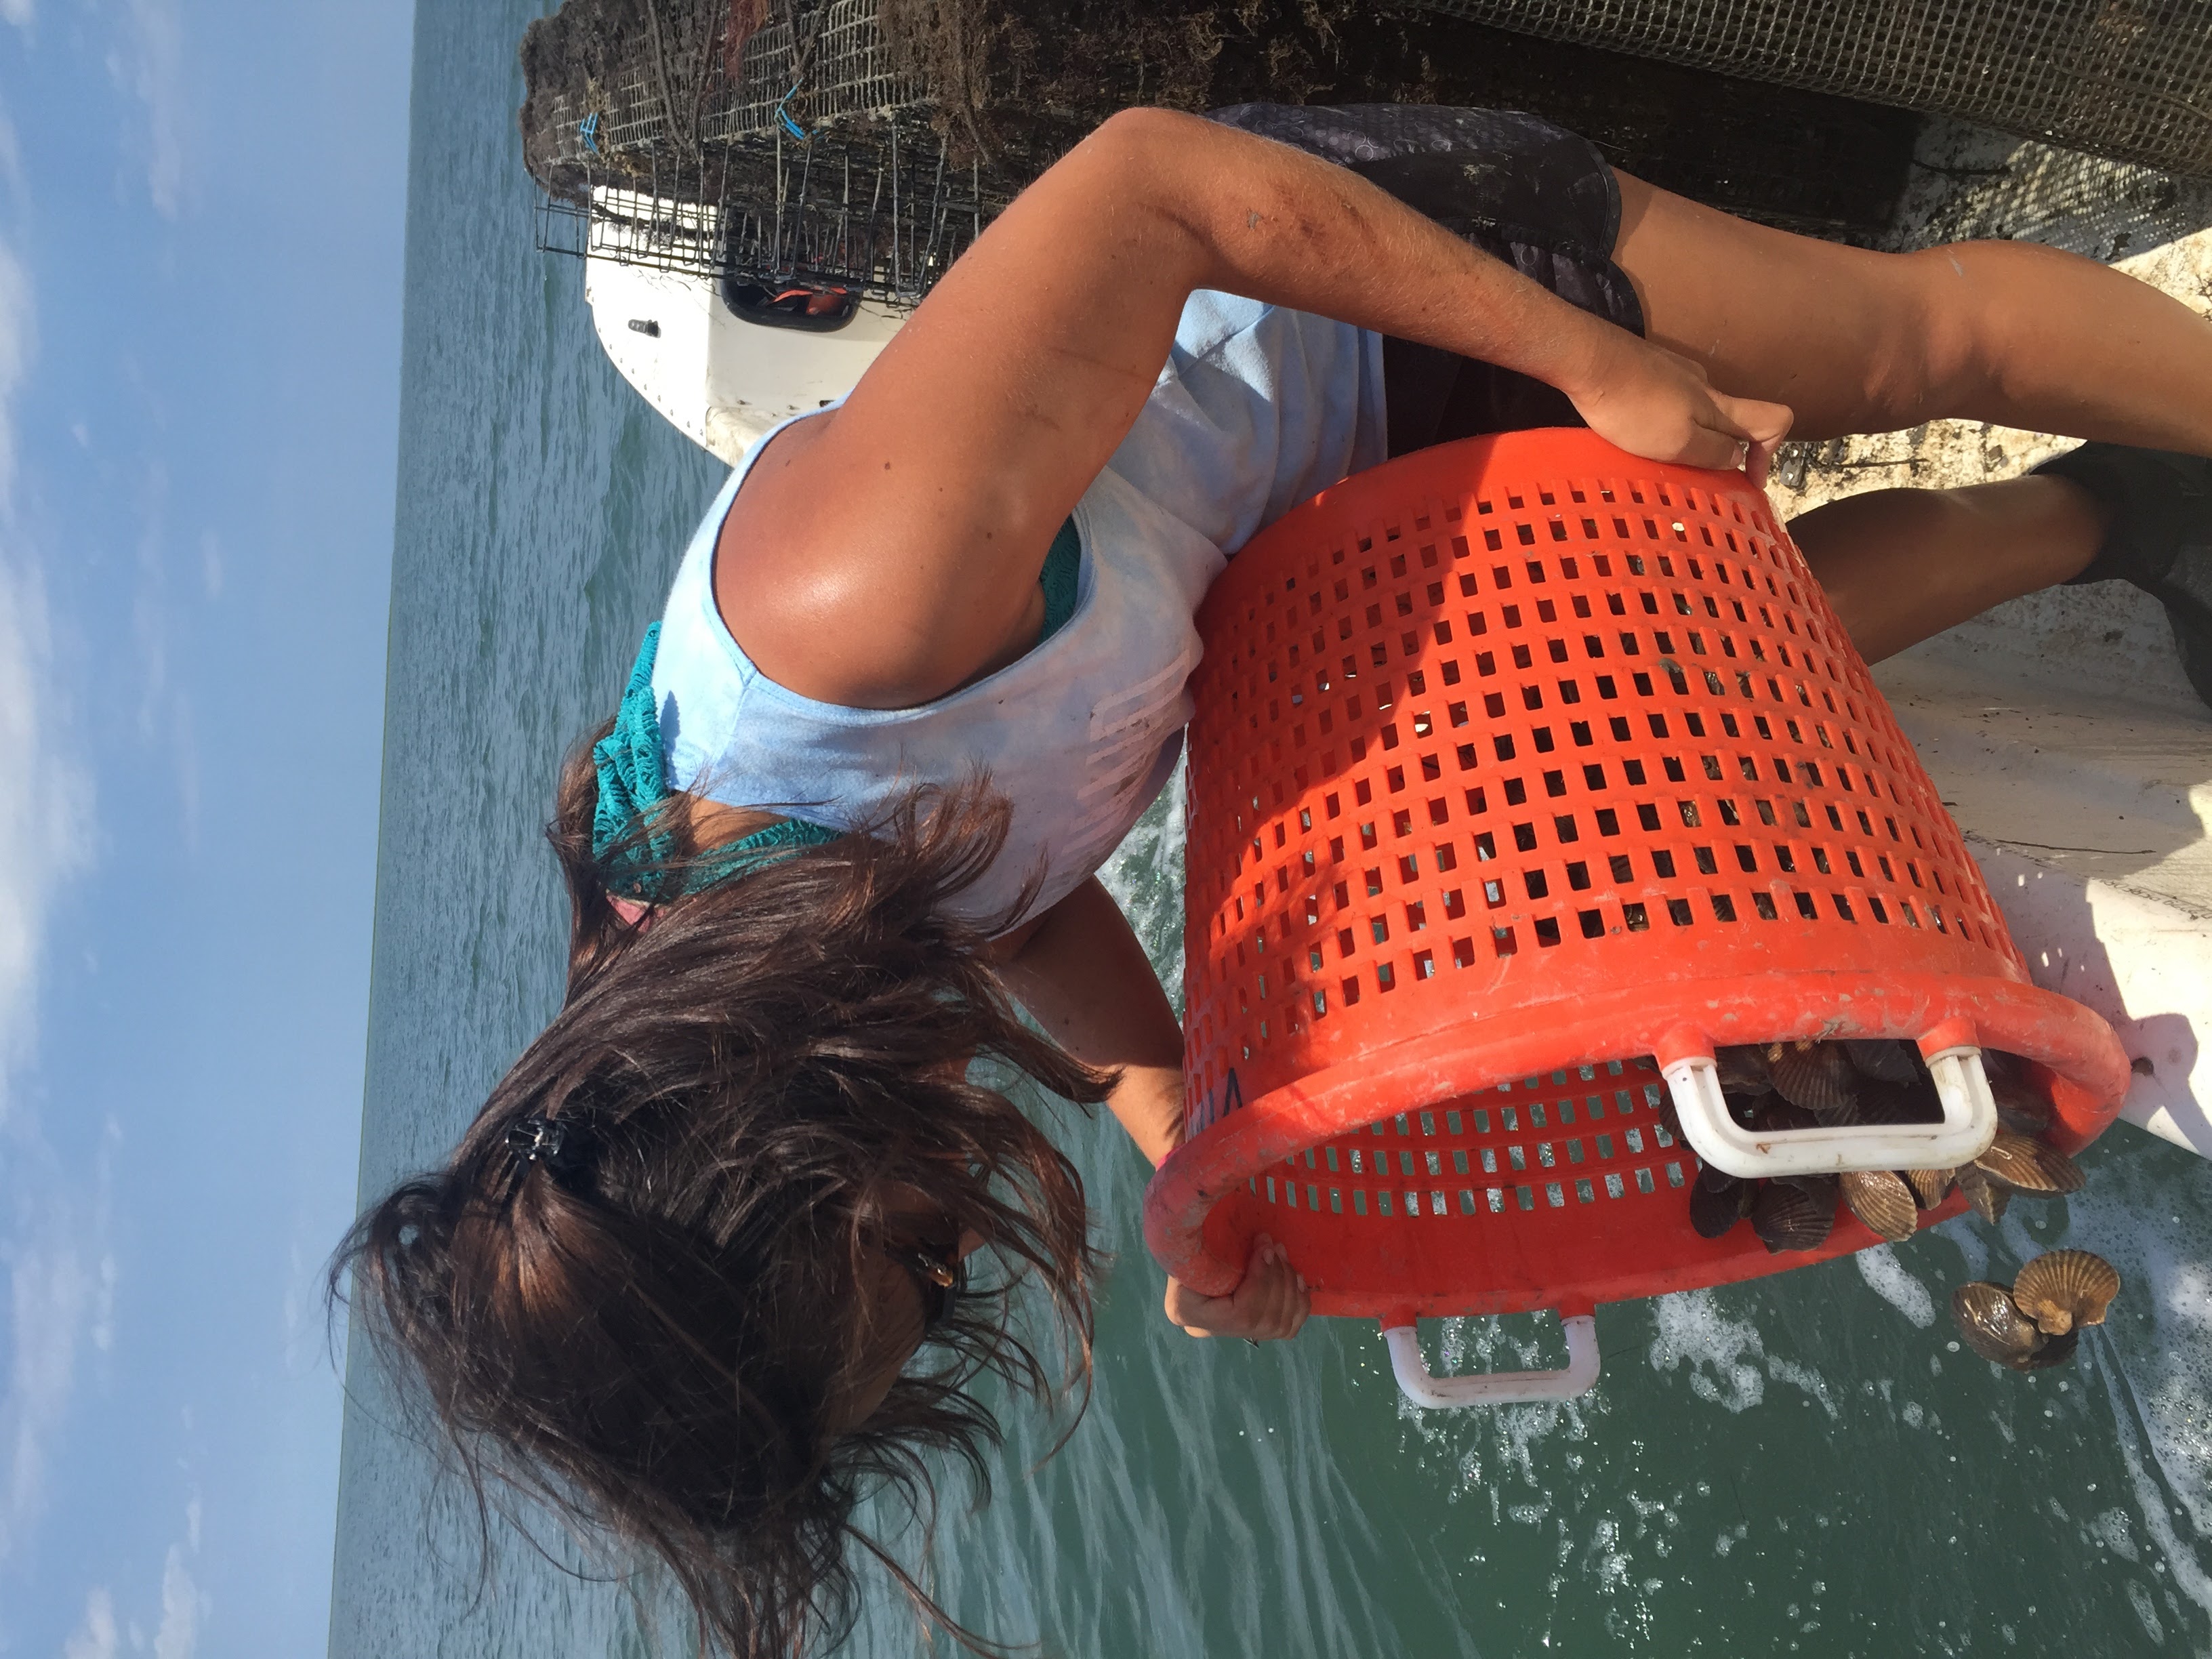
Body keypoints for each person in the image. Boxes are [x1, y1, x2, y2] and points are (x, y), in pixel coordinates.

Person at [336, 104, 2212, 1658]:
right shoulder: (772, 945)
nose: (974, 1241)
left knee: (1904, 348)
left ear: (764, 1136)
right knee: (1675, 701)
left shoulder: (856, 620)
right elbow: (1017, 891)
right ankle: (2114, 517)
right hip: (1281, 536)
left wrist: (1594, 360)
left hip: (1346, 280)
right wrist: (1191, 1130)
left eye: (911, 1252)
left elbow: (1152, 185)